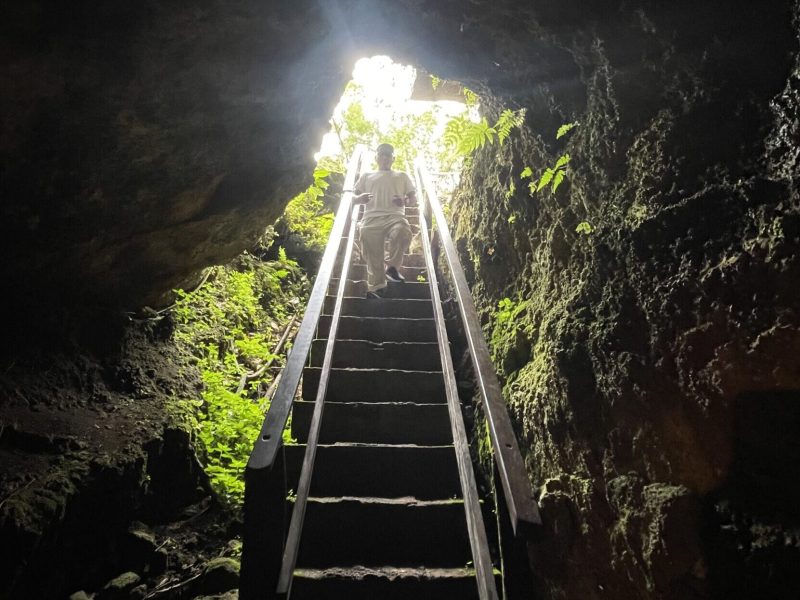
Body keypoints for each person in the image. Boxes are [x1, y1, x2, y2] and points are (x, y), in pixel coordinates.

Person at [353, 143, 417, 299]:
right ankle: (377, 288)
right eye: (381, 154)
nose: (384, 157)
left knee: (402, 232)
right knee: (370, 247)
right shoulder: (366, 176)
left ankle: (392, 268)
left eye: (388, 155)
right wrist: (359, 199)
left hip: (395, 216)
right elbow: (352, 196)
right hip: (371, 218)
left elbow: (413, 198)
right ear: (376, 157)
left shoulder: (402, 176)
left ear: (393, 158)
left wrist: (404, 201)